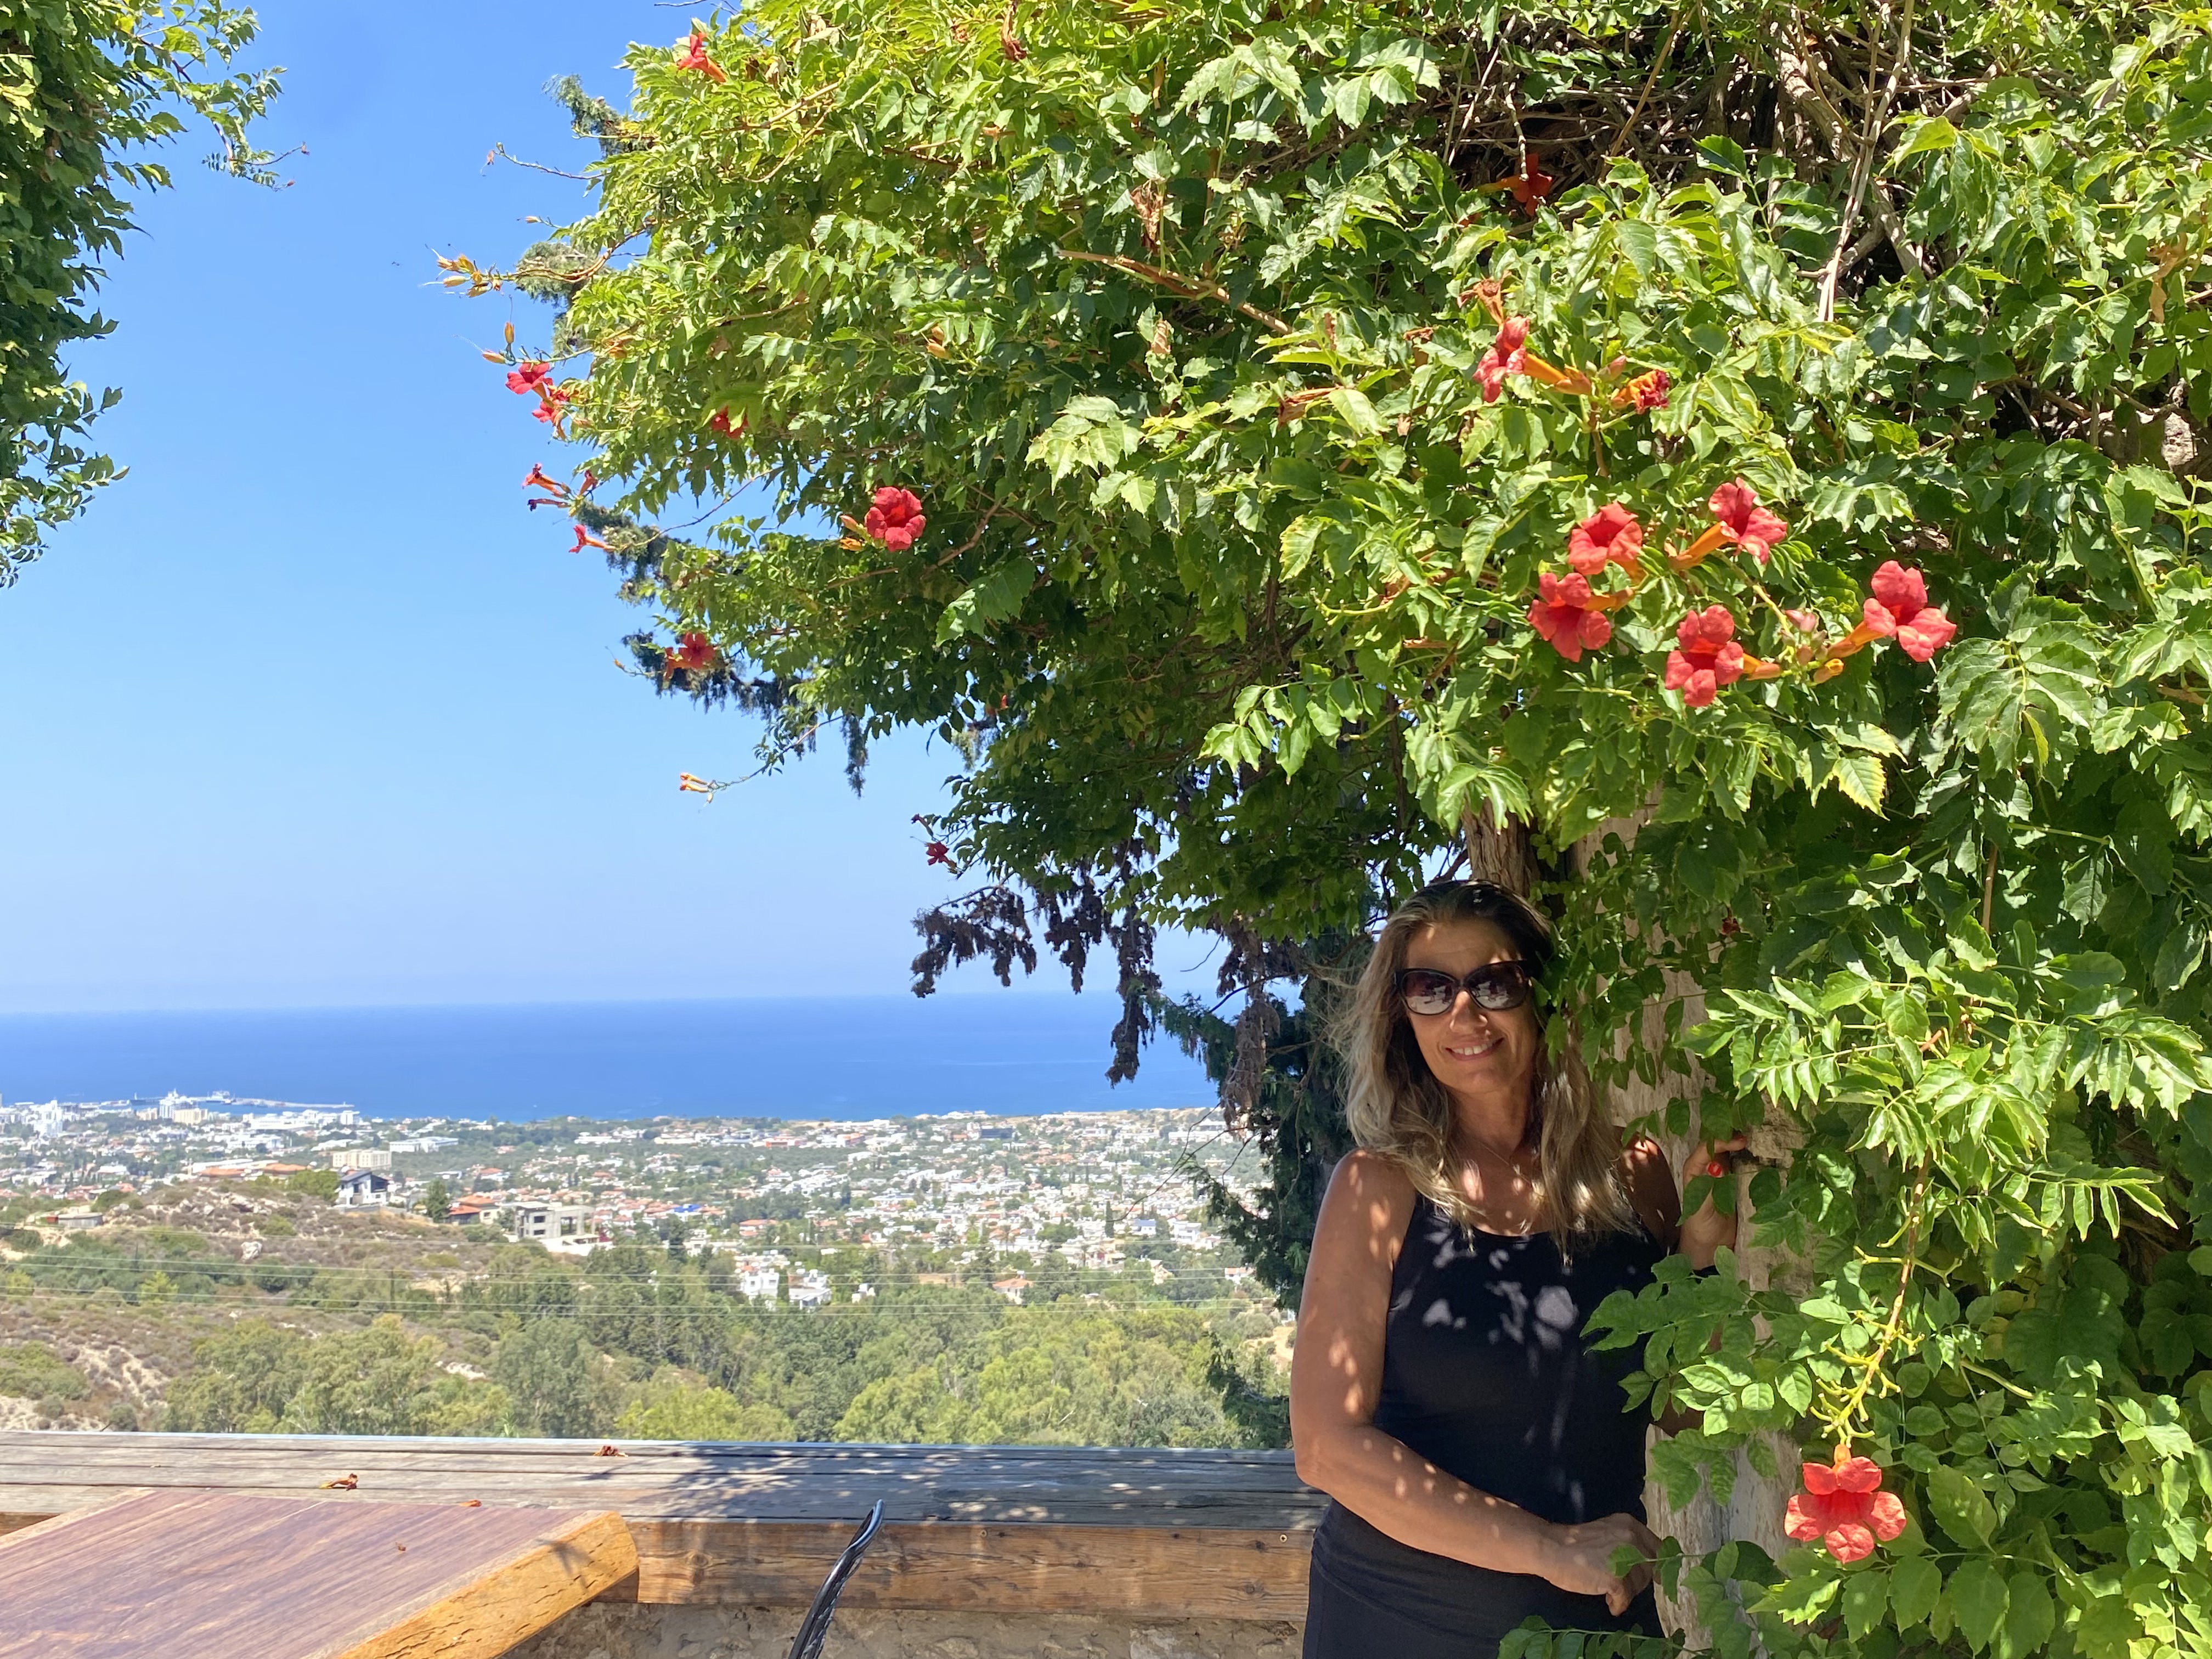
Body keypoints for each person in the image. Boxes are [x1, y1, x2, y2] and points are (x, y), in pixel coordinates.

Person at [1291, 879, 1743, 1659]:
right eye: (1431, 989)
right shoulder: (1378, 1190)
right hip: (1400, 1624)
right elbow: (1326, 1447)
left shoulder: (1633, 1177)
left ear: (1544, 998)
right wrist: (1550, 1548)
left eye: (1492, 984)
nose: (1464, 1015)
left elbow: (1676, 1416)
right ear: (1402, 1015)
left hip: (1596, 1630)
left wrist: (1701, 1251)